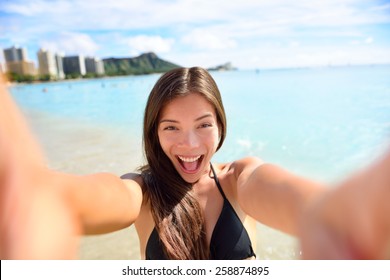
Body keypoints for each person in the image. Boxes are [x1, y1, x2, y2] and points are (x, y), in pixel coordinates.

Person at [0, 67, 389, 260]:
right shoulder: (141, 191)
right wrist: (40, 195)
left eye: (203, 125)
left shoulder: (239, 180)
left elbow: (303, 204)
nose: (189, 144)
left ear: (221, 126)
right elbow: (88, 198)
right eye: (171, 128)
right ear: (154, 132)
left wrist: (341, 213)